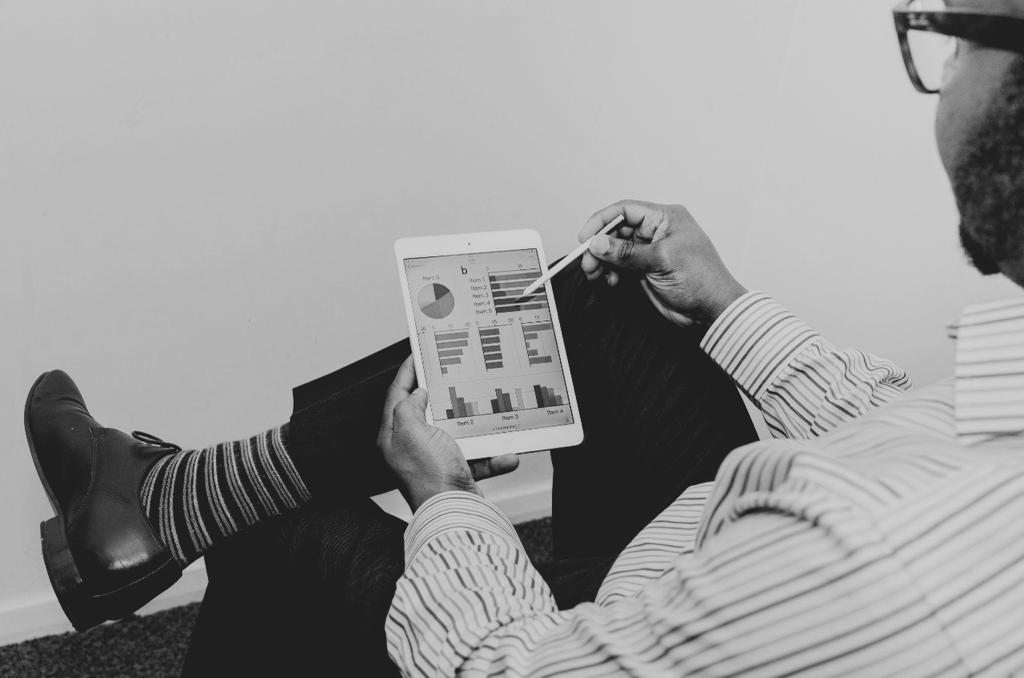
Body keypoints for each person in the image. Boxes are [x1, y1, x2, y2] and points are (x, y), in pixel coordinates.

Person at [23, 0, 1024, 675]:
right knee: (601, 298)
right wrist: (723, 303)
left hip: (610, 627)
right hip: (715, 539)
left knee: (283, 534)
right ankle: (159, 502)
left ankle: (174, 505)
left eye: (952, 33)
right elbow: (905, 425)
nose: (946, 71)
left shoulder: (882, 559)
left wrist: (447, 501)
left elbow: (507, 666)